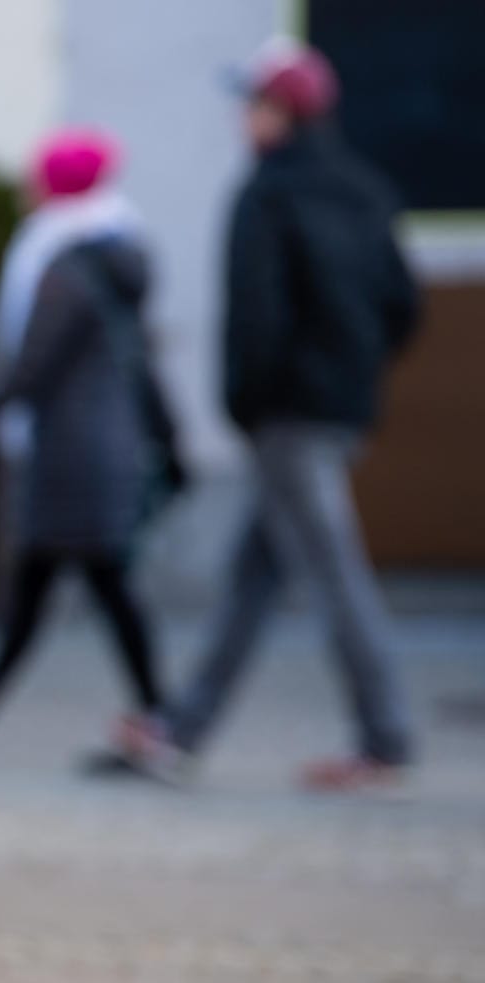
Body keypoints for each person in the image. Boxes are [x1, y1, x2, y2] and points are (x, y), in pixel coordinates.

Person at [105, 39, 420, 790]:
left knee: (334, 570)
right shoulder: (366, 190)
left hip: (288, 415)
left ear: (285, 112)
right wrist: (354, 375)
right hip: (341, 410)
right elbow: (402, 306)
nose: (244, 117)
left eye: (255, 102)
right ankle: (181, 729)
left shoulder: (268, 192)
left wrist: (246, 403)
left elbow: (255, 315)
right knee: (256, 573)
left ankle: (387, 735)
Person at [0, 128, 173, 761]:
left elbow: (26, 369)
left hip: (68, 457)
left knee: (87, 588)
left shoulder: (63, 265)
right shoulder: (119, 255)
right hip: (103, 447)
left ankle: (159, 716)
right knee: (62, 590)